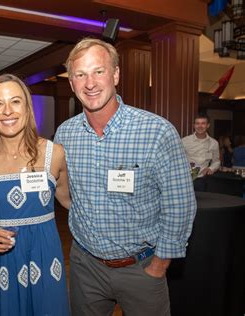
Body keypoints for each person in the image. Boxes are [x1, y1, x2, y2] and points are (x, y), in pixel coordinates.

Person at [55, 38, 196, 316]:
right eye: (80, 75)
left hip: (141, 269)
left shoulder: (156, 132)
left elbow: (180, 204)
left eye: (98, 71)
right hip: (86, 268)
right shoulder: (65, 134)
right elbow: (69, 194)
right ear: (71, 84)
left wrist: (159, 265)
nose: (90, 83)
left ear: (116, 74)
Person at [0, 74, 71, 315]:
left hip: (43, 259)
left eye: (15, 101)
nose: (7, 111)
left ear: (27, 107)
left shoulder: (54, 154)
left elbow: (70, 202)